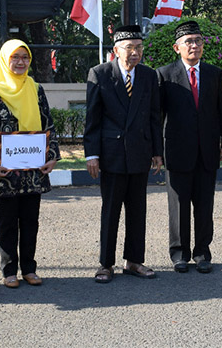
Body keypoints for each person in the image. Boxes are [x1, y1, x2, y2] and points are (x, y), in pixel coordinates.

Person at [84, 24, 163, 283]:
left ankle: (134, 261)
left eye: (139, 48)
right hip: (112, 154)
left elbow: (154, 117)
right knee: (111, 211)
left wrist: (156, 152)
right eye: (129, 48)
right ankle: (106, 263)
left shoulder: (149, 76)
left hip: (139, 153)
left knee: (138, 210)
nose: (135, 53)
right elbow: (92, 119)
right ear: (116, 50)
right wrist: (91, 155)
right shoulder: (100, 74)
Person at [0, 40, 60, 288]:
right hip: (4, 170)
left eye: (25, 57)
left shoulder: (36, 89)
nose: (21, 62)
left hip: (32, 169)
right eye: (15, 57)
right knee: (7, 221)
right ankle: (9, 270)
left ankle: (30, 269)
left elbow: (48, 124)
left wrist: (52, 155)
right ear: (5, 59)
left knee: (30, 221)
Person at [156, 21, 222, 274]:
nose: (194, 46)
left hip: (208, 151)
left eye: (198, 41)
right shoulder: (164, 75)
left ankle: (202, 253)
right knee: (178, 206)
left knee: (204, 205)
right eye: (188, 41)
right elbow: (157, 116)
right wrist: (156, 150)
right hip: (177, 151)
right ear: (177, 47)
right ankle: (179, 254)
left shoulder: (214, 73)